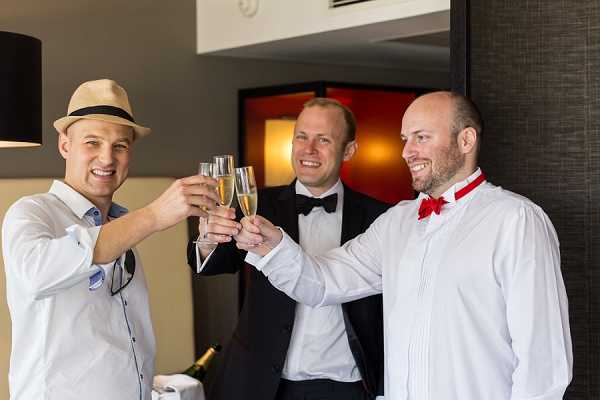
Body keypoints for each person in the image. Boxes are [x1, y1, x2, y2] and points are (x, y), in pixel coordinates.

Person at [234, 91, 573, 400]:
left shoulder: (516, 220)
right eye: (405, 139)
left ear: (466, 140)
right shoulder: (396, 222)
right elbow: (324, 282)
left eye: (421, 137)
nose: (407, 151)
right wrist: (273, 243)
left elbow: (542, 360)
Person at [1, 79, 219, 400]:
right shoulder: (32, 213)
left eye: (120, 146)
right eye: (92, 142)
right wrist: (155, 215)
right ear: (65, 145)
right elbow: (37, 274)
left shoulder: (122, 225)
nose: (107, 159)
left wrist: (208, 241)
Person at [188, 98, 389, 400]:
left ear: (349, 150)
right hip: (262, 384)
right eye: (301, 137)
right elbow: (214, 264)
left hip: (346, 388)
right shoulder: (255, 204)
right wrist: (206, 238)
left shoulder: (380, 218)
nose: (309, 150)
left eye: (323, 139)